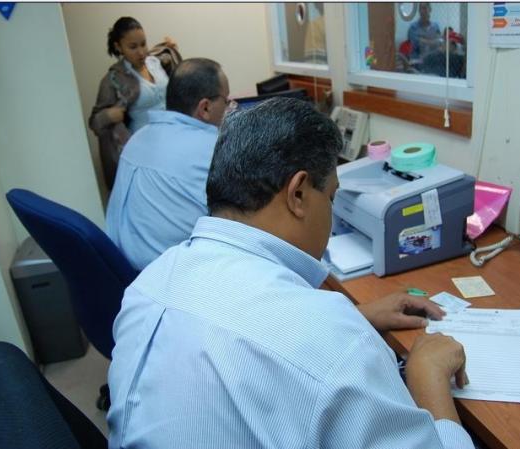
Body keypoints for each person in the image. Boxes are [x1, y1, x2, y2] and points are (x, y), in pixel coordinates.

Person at [107, 97, 474, 449]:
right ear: (298, 195)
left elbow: (244, 330)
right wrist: (428, 379)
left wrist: (360, 316)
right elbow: (298, 343)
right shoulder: (334, 341)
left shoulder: (151, 283)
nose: (330, 214)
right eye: (330, 197)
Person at [105, 58, 231, 271]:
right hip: (176, 282)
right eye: (226, 101)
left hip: (124, 272)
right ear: (205, 108)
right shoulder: (212, 150)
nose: (229, 108)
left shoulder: (137, 138)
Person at [89, 17, 182, 191]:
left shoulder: (155, 62)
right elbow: (94, 121)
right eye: (133, 47)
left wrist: (171, 49)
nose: (141, 52)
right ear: (118, 47)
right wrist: (109, 115)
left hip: (174, 137)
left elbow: (168, 59)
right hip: (146, 150)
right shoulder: (114, 79)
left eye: (143, 44)